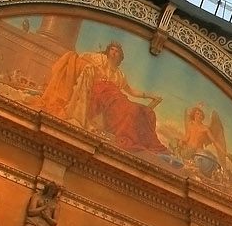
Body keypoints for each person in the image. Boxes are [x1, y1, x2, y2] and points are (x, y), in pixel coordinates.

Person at [37, 41, 167, 153]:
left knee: (145, 111)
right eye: (112, 49)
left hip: (117, 99)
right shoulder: (99, 60)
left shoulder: (120, 75)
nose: (114, 52)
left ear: (121, 56)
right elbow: (80, 58)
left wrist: (150, 96)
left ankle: (144, 139)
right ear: (108, 51)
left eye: (117, 51)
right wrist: (87, 67)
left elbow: (131, 91)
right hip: (100, 99)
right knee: (130, 110)